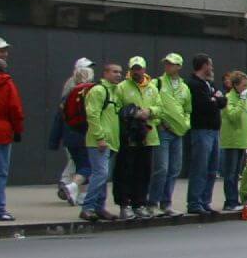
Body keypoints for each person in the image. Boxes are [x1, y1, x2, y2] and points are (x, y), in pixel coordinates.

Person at [112, 57, 161, 220]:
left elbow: (160, 109)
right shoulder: (122, 87)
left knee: (144, 172)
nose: (136, 71)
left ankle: (139, 203)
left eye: (139, 68)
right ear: (130, 70)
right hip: (129, 136)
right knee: (126, 171)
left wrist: (150, 111)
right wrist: (132, 113)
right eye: (134, 69)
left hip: (148, 136)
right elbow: (116, 108)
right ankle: (124, 205)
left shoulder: (152, 88)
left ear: (145, 70)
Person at [80, 60, 125, 222]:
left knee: (103, 176)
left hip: (111, 142)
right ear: (105, 73)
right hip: (99, 142)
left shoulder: (114, 91)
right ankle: (88, 207)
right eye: (114, 72)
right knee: (100, 174)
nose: (118, 75)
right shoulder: (99, 90)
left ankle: (99, 208)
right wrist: (99, 138)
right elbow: (92, 115)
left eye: (119, 72)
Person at [149, 52, 192, 215]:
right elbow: (152, 103)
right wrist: (160, 123)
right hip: (163, 131)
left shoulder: (184, 86)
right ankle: (152, 202)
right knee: (161, 168)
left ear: (179, 67)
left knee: (174, 168)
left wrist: (185, 125)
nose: (168, 66)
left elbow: (187, 110)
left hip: (178, 133)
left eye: (172, 64)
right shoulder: (157, 83)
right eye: (166, 63)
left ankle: (166, 203)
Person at [184, 54, 224, 216]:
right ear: (204, 66)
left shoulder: (209, 84)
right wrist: (215, 100)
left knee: (212, 168)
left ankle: (205, 201)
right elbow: (204, 105)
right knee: (200, 167)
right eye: (210, 65)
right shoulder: (194, 84)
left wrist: (215, 100)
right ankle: (194, 202)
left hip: (214, 130)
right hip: (201, 130)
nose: (212, 68)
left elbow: (222, 101)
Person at [53, 58, 94, 208]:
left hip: (70, 134)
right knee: (87, 165)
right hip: (83, 133)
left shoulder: (68, 91)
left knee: (77, 162)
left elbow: (60, 116)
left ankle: (77, 192)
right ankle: (71, 186)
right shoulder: (88, 91)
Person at [220, 70, 247, 214]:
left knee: (236, 173)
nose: (246, 88)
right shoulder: (229, 98)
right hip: (232, 140)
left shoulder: (242, 96)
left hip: (241, 139)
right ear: (235, 85)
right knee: (230, 173)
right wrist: (241, 101)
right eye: (243, 85)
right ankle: (230, 201)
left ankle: (234, 200)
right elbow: (233, 116)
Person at [0, 38, 21, 221]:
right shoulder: (6, 83)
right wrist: (18, 130)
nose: (5, 53)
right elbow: (15, 109)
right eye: (1, 51)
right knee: (0, 171)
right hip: (2, 133)